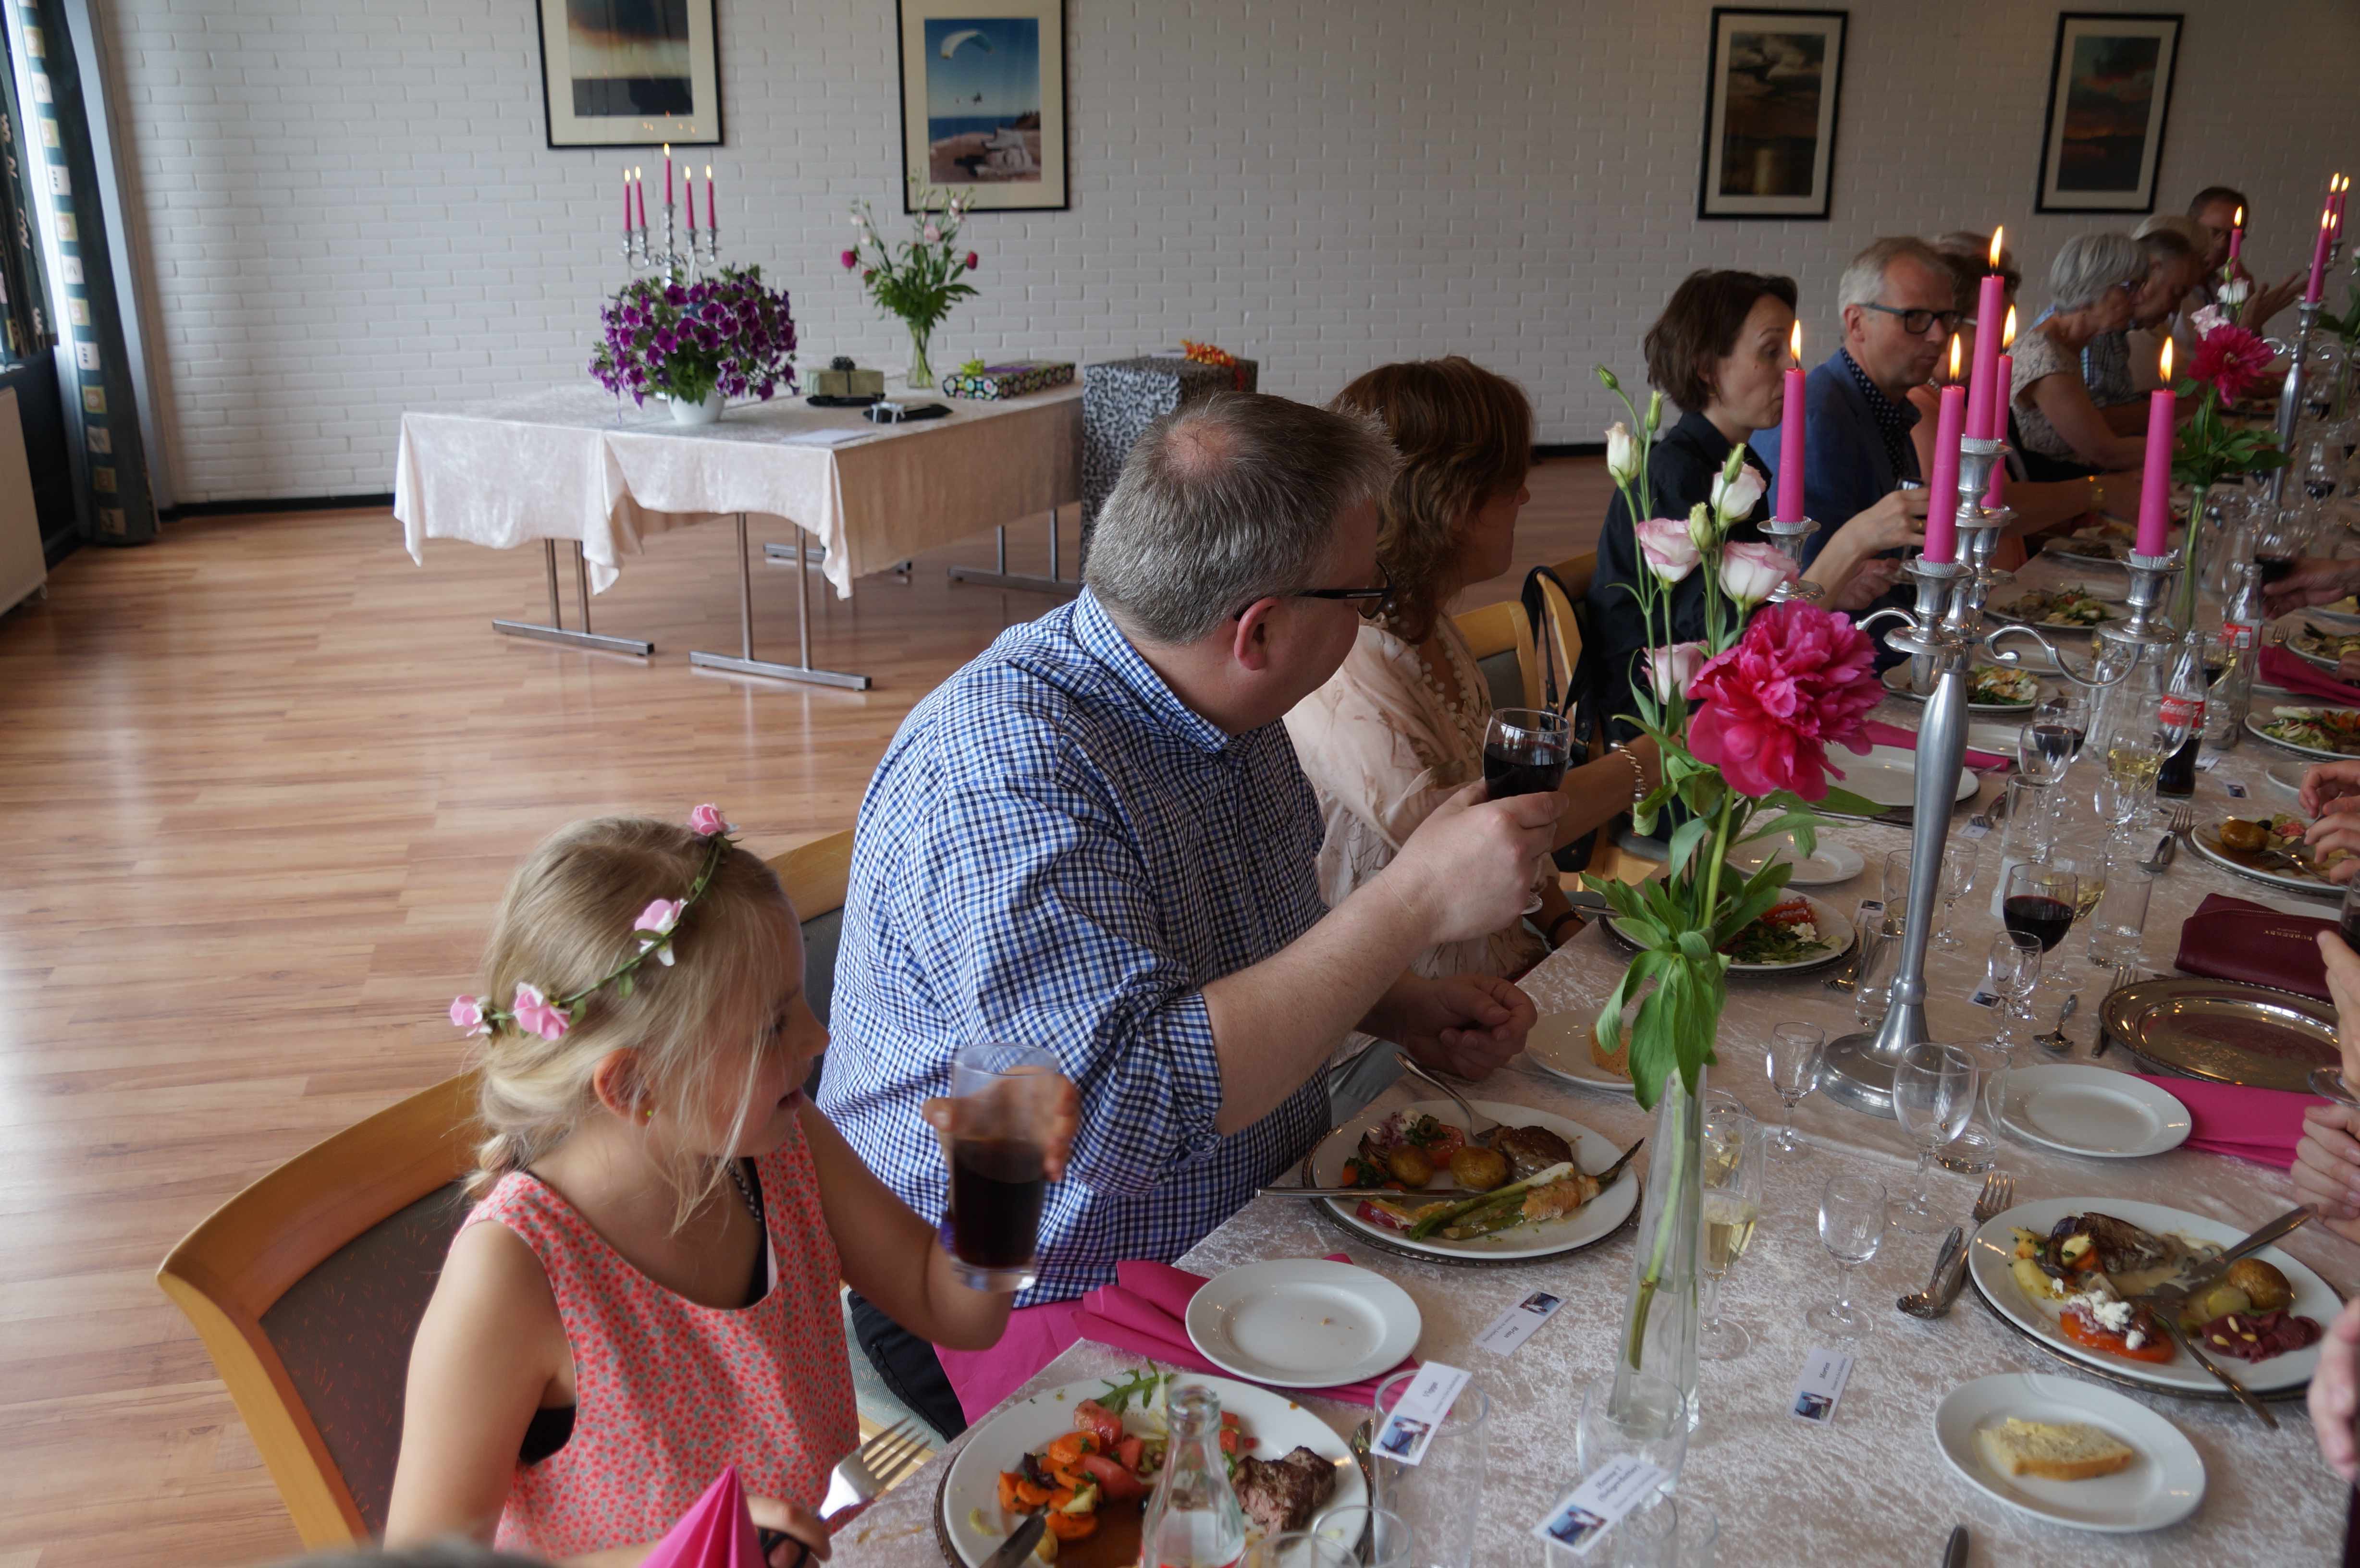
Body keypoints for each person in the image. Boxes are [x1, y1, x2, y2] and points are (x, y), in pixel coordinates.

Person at [818, 392, 1563, 1435]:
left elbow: (1256, 942)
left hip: (1247, 1214)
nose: (1372, 614)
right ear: (1259, 629)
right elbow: (1120, 1117)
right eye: (1362, 591)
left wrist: (1396, 1003)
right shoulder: (1002, 770)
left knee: (1517, 1376)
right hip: (1030, 1284)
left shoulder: (1213, 696)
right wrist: (1412, 902)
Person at [384, 812, 1078, 1565]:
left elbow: (954, 1310)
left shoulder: (781, 1147)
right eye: (773, 1027)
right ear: (636, 1085)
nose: (819, 1037)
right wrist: (687, 1554)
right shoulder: (514, 1273)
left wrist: (995, 1186)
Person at [1285, 359, 1661, 1046]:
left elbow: (1504, 805)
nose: (1526, 494)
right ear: (1453, 501)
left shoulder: (1430, 624)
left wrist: (1560, 922)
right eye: (1510, 477)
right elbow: (1475, 843)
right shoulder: (1348, 660)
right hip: (1394, 1016)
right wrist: (1655, 760)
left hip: (1495, 967)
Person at [1592, 267, 1923, 740]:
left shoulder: (1737, 466)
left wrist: (1832, 585)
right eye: (1771, 351)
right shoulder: (1674, 476)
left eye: (1790, 348)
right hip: (1667, 743)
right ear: (1707, 368)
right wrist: (1852, 541)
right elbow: (1736, 641)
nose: (1792, 366)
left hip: (1727, 714)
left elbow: (1755, 620)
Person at [1742, 239, 1949, 640]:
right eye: (1917, 317)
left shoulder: (1886, 405)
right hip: (1841, 653)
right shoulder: (1820, 418)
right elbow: (1801, 586)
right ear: (1856, 323)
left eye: (1946, 317)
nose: (1939, 336)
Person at [1916, 234, 2125, 562]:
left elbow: (2016, 487)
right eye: (1993, 328)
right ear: (1949, 324)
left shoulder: (1975, 399)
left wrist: (2066, 519)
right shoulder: (1920, 409)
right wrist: (2097, 492)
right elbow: (1975, 509)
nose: (2004, 348)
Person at [2009, 233, 2151, 480]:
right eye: (2130, 288)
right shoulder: (2043, 357)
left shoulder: (2068, 348)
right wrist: (2195, 448)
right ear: (2091, 287)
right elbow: (2106, 452)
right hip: (2052, 492)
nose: (2141, 299)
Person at [2087, 225, 2202, 429]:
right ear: (2150, 271)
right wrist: (2173, 409)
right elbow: (2091, 422)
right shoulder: (2096, 327)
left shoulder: (2119, 333)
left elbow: (2112, 401)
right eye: (2175, 293)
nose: (2176, 310)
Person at [2188, 185, 2305, 332]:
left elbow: (2245, 345)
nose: (2222, 244)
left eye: (2233, 237)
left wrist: (2248, 311)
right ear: (2189, 226)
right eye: (2214, 232)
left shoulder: (2219, 289)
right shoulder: (2172, 290)